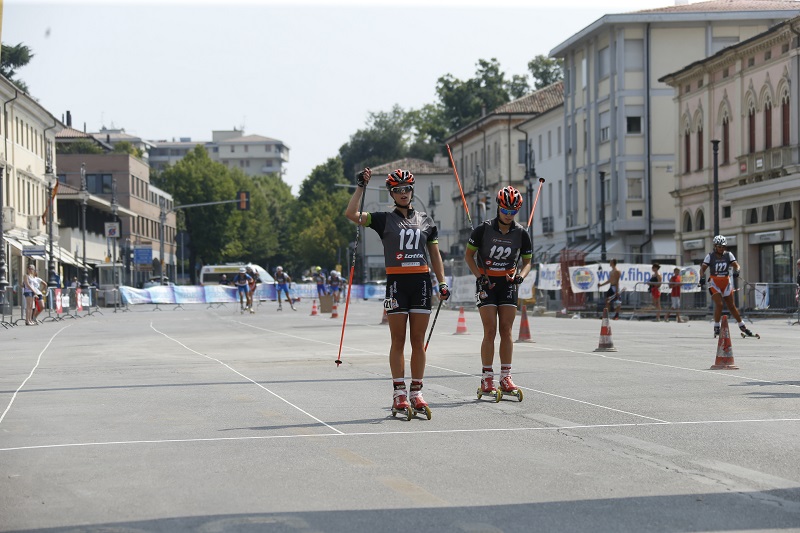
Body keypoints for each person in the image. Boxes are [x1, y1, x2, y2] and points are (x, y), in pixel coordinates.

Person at [345, 167, 449, 418]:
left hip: (422, 283)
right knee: (398, 340)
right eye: (397, 190)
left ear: (412, 191)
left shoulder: (426, 220)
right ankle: (399, 393)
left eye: (406, 189)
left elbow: (434, 254)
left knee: (418, 342)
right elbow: (351, 214)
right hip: (396, 284)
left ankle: (417, 392)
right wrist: (360, 186)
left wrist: (442, 282)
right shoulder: (383, 219)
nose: (403, 193)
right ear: (391, 193)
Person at [465, 186, 532, 400]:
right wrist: (479, 276)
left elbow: (528, 261)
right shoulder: (483, 230)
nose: (508, 215)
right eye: (505, 210)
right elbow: (469, 256)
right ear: (498, 207)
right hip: (487, 282)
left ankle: (505, 376)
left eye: (513, 212)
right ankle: (487, 377)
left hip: (507, 282)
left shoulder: (521, 233)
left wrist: (521, 275)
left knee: (507, 330)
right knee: (490, 330)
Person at [698, 235, 755, 337]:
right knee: (719, 304)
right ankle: (716, 326)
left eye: (723, 247)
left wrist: (737, 271)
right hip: (714, 283)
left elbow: (736, 265)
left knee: (731, 306)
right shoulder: (710, 256)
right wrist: (702, 277)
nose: (721, 249)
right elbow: (702, 269)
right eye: (719, 246)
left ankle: (742, 326)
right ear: (715, 246)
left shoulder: (728, 255)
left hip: (726, 282)